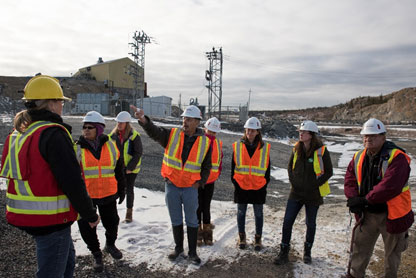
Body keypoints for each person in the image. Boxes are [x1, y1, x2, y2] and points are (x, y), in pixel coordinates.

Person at [0, 75, 100, 278]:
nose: (62, 106)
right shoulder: (53, 133)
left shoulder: (21, 132)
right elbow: (72, 182)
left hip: (24, 214)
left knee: (66, 263)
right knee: (52, 272)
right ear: (51, 103)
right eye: (60, 101)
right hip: (49, 219)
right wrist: (90, 214)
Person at [132, 105, 212, 265]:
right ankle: (178, 249)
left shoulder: (205, 142)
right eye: (184, 119)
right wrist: (143, 120)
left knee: (192, 220)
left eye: (188, 119)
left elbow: (207, 166)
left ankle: (192, 252)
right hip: (172, 186)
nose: (185, 122)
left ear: (197, 122)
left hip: (190, 187)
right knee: (175, 218)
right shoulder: (172, 134)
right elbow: (155, 132)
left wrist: (200, 182)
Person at [343, 118, 414, 278]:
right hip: (367, 215)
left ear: (383, 137)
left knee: (392, 254)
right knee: (360, 248)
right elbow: (350, 179)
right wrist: (353, 199)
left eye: (374, 135)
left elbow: (391, 185)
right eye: (366, 136)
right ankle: (355, 275)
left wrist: (365, 200)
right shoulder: (358, 157)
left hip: (392, 215)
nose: (369, 139)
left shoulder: (397, 157)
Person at [274, 120, 333, 265]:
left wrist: (314, 185)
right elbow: (289, 167)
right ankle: (284, 251)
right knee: (287, 221)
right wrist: (294, 182)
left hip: (313, 195)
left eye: (303, 132)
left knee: (310, 224)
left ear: (311, 135)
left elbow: (329, 172)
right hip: (296, 193)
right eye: (300, 132)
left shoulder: (322, 151)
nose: (300, 134)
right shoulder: (296, 148)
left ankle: (307, 252)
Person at [75, 111, 127, 272]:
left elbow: (120, 169)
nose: (86, 130)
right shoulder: (76, 148)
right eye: (84, 127)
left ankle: (110, 245)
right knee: (86, 226)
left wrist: (122, 189)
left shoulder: (111, 145)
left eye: (90, 127)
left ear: (99, 129)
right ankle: (96, 253)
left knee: (112, 222)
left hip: (108, 193)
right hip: (86, 196)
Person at [232, 117, 271, 251]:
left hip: (258, 187)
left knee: (258, 214)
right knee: (241, 213)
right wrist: (236, 183)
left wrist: (264, 184)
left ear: (257, 132)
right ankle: (242, 237)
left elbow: (267, 169)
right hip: (241, 186)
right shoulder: (238, 146)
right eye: (248, 130)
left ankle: (258, 239)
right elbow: (233, 167)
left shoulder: (264, 148)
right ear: (245, 131)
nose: (250, 133)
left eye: (253, 131)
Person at [110, 111, 143, 223]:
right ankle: (113, 212)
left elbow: (138, 153)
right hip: (117, 168)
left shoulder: (134, 136)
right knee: (114, 189)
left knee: (129, 189)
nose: (119, 124)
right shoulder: (112, 136)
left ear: (127, 123)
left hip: (130, 169)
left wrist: (130, 167)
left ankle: (129, 212)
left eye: (122, 123)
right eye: (118, 122)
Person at [197, 117, 223, 246]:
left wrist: (218, 173)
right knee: (197, 207)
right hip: (198, 181)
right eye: (209, 132)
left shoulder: (218, 144)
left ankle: (207, 234)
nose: (211, 135)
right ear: (204, 129)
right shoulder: (199, 141)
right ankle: (197, 234)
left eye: (213, 133)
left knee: (206, 208)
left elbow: (220, 160)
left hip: (210, 181)